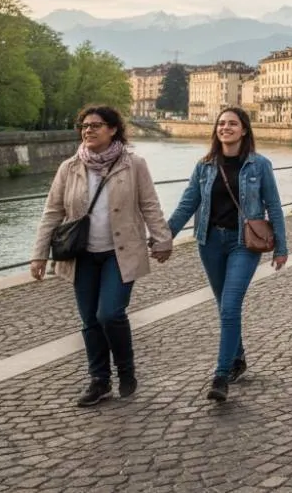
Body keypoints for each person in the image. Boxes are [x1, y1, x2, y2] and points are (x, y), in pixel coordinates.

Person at [30, 105, 173, 407]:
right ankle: (99, 380)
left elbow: (149, 205)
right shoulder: (69, 167)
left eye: (96, 125)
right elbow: (52, 212)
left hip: (119, 254)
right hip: (81, 256)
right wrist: (39, 254)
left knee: (109, 313)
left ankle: (126, 368)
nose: (88, 130)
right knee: (89, 321)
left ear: (113, 129)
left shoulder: (134, 164)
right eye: (84, 125)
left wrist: (162, 239)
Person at [168, 106, 289, 402]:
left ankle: (221, 376)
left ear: (244, 129)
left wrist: (282, 247)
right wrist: (164, 237)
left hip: (243, 244)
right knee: (224, 306)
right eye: (221, 123)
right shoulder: (205, 165)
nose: (226, 128)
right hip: (209, 243)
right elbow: (188, 204)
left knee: (231, 305)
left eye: (232, 124)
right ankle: (238, 358)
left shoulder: (259, 165)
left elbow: (273, 205)